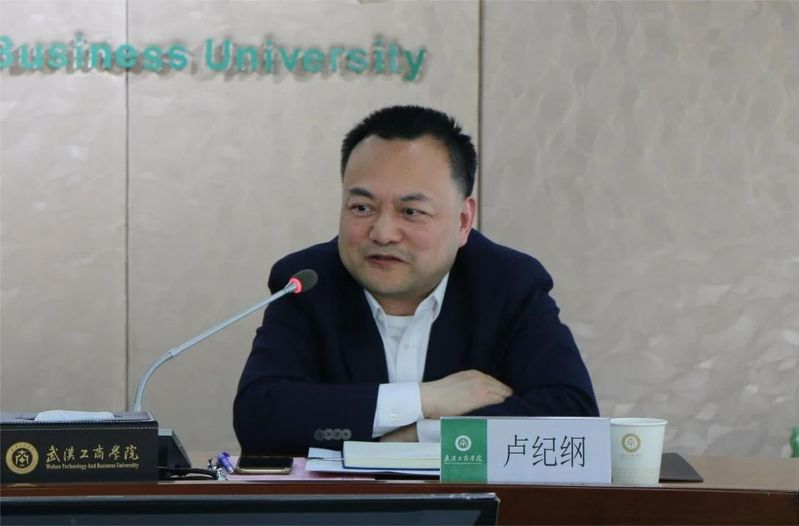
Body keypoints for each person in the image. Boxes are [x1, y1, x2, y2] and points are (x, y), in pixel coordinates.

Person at [234, 105, 598, 453]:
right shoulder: (307, 283)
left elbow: (572, 420)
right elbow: (260, 419)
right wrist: (424, 400)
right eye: (362, 208)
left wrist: (415, 437)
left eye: (411, 211)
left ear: (462, 221)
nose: (383, 233)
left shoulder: (508, 284)